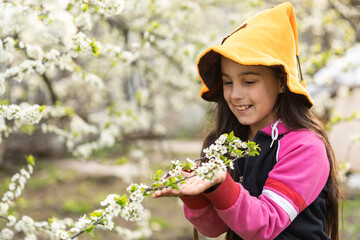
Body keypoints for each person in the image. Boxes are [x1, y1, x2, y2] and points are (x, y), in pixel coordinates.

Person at [152, 2, 342, 240]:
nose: (234, 94)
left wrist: (221, 183)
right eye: (228, 82)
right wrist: (196, 191)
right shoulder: (227, 143)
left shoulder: (304, 147)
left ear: (282, 82)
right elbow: (213, 227)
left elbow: (264, 225)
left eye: (249, 81)